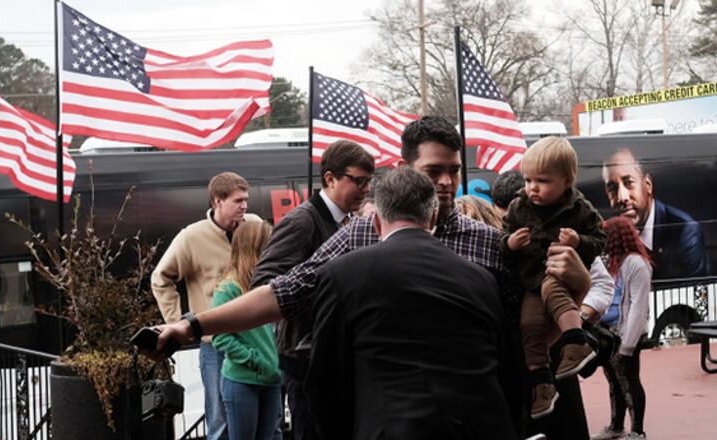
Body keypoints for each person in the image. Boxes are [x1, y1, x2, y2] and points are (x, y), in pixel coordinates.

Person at [150, 116, 592, 436]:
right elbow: (286, 290)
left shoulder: (488, 241)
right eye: (432, 171)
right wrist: (194, 324)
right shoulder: (361, 235)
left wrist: (580, 287)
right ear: (405, 171)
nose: (445, 182)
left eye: (453, 171)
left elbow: (523, 333)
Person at [305, 167, 519, 440]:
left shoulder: (342, 275)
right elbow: (509, 371)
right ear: (432, 217)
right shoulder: (480, 279)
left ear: (377, 223)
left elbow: (324, 381)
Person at [250, 140, 374, 440]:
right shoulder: (302, 220)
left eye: (369, 182)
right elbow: (264, 283)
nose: (366, 189)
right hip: (306, 365)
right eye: (359, 181)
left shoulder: (351, 221)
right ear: (330, 178)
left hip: (341, 361)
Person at [501, 137, 606, 419]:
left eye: (543, 181)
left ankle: (577, 341)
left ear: (567, 180)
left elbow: (599, 239)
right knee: (529, 325)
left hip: (561, 273)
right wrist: (510, 243)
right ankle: (542, 384)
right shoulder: (518, 207)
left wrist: (579, 241)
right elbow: (501, 239)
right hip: (531, 282)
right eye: (528, 179)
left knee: (553, 288)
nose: (533, 187)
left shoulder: (580, 208)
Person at [151, 172, 261, 440]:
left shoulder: (256, 225)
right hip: (216, 348)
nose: (245, 206)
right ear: (217, 201)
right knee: (220, 422)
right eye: (238, 200)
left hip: (258, 341)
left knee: (267, 419)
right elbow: (160, 278)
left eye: (246, 199)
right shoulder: (191, 237)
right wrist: (180, 325)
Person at [211, 220, 282, 440]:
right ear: (255, 247)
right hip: (242, 382)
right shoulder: (229, 288)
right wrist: (255, 360)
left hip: (272, 380)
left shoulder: (266, 285)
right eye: (268, 243)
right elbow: (220, 337)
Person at [602, 148, 710, 280]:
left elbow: (695, 292)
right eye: (612, 189)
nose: (621, 197)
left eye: (628, 183)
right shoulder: (606, 236)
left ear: (648, 185)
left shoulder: (685, 231)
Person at [590, 216, 651, 440]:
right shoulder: (611, 262)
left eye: (606, 235)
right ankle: (616, 426)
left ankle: (637, 432)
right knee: (614, 381)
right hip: (609, 332)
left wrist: (627, 345)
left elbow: (638, 306)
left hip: (625, 334)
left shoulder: (636, 263)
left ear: (616, 237)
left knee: (630, 381)